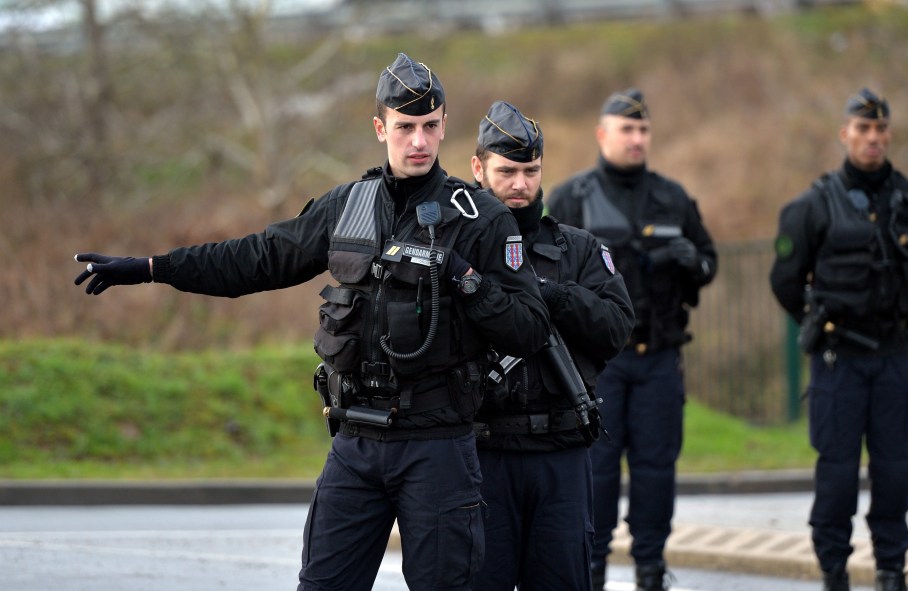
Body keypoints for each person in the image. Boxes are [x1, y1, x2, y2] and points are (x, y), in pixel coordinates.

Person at [73, 53, 551, 591]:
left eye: (430, 127)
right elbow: (254, 259)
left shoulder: (480, 219)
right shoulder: (345, 206)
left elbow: (530, 328)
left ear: (444, 126)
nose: (418, 142)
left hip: (438, 446)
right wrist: (152, 268)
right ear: (380, 128)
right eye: (405, 128)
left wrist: (465, 278)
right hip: (356, 444)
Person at [769, 88, 908, 591]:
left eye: (880, 130)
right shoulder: (811, 205)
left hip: (894, 356)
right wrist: (816, 320)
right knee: (838, 476)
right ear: (845, 133)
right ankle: (834, 569)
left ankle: (892, 568)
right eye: (863, 129)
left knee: (895, 473)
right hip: (839, 360)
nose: (873, 138)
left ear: (888, 134)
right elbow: (784, 279)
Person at [547, 88, 717, 591]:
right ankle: (591, 568)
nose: (637, 138)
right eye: (627, 129)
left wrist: (692, 262)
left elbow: (708, 262)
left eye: (643, 130)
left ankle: (650, 565)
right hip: (600, 364)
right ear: (603, 134)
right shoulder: (571, 198)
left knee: (656, 467)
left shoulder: (672, 197)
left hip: (661, 355)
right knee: (596, 469)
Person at [468, 100, 634, 590]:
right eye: (507, 171)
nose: (520, 185)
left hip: (560, 453)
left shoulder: (577, 249)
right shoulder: (455, 250)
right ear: (478, 168)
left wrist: (553, 296)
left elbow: (616, 327)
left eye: (530, 171)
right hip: (483, 453)